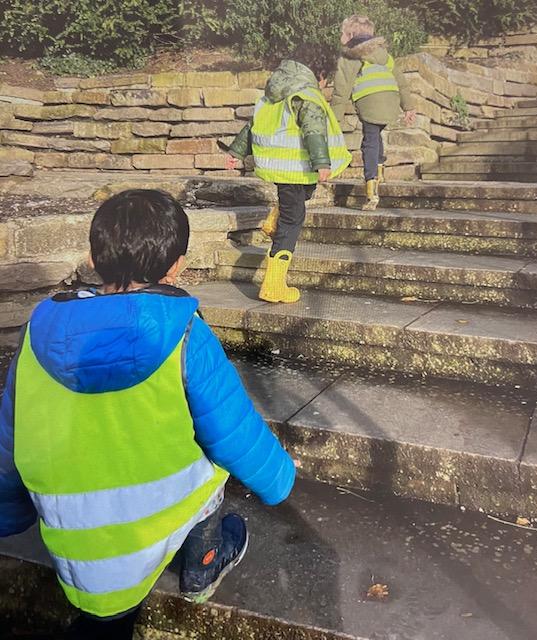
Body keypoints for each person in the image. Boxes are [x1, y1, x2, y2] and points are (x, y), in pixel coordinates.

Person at [0, 189, 296, 639]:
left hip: (72, 530)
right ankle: (203, 568)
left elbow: (10, 434)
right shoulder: (185, 334)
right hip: (152, 510)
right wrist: (279, 479)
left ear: (93, 257)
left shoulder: (37, 336)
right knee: (212, 472)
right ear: (177, 264)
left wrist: (7, 512)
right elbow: (233, 430)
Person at [226, 49, 352, 304]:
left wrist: (237, 152)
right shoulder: (307, 96)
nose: (324, 85)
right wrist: (322, 162)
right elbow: (314, 131)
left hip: (282, 169)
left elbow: (251, 126)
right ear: (318, 76)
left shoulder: (273, 98)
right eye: (324, 80)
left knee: (303, 196)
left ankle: (275, 220)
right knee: (293, 222)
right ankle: (273, 285)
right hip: (296, 168)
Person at [331, 15, 416, 210]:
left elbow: (341, 89)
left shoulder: (350, 56)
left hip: (370, 101)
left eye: (342, 33)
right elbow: (401, 82)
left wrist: (334, 120)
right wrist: (409, 107)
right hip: (391, 101)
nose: (340, 37)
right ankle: (381, 173)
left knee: (369, 141)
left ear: (350, 34)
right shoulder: (384, 54)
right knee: (376, 134)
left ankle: (372, 191)